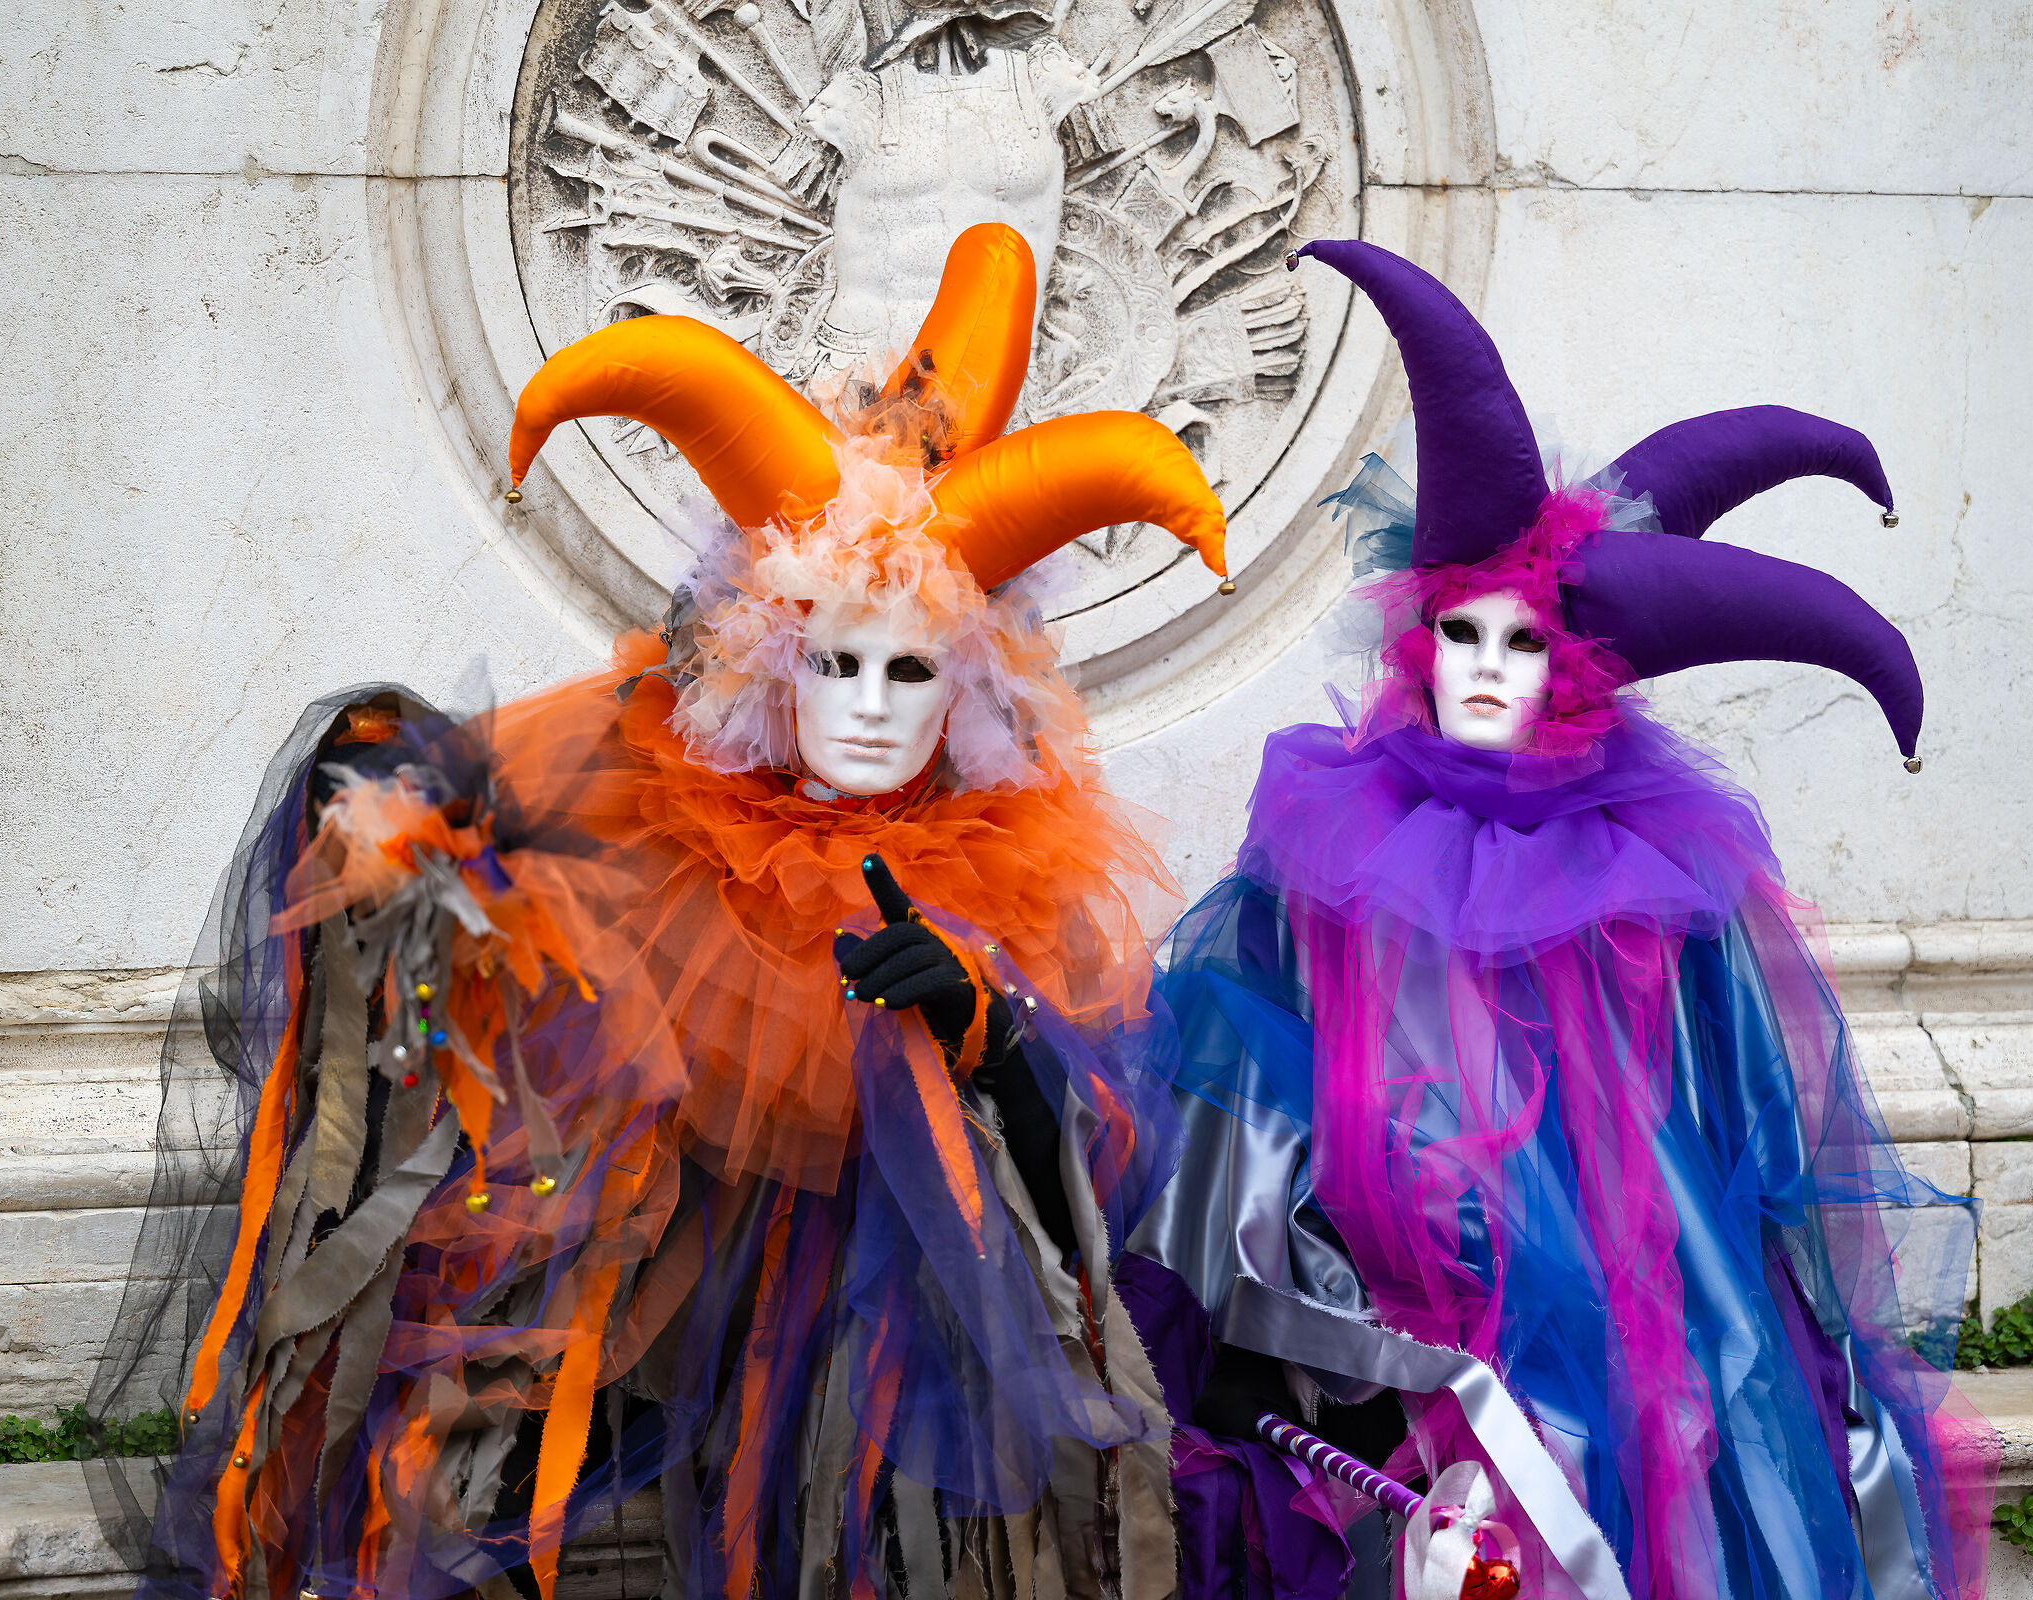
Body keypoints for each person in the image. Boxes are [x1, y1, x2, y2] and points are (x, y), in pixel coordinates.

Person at [87, 224, 1221, 1600]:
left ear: (972, 690)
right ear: (765, 663)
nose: (866, 709)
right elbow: (492, 906)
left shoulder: (1026, 885)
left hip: (879, 1373)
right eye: (830, 661)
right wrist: (403, 840)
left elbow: (1076, 1189)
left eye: (910, 669)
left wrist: (982, 1027)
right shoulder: (660, 810)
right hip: (664, 1335)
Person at [1122, 240, 1993, 1600]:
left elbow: (1725, 1111)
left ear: (1575, 669)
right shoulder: (1333, 831)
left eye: (1522, 643)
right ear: (1420, 631)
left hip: (1631, 1276)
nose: (1484, 669)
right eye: (1461, 634)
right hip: (1390, 1287)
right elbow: (1249, 1045)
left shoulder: (1651, 862)